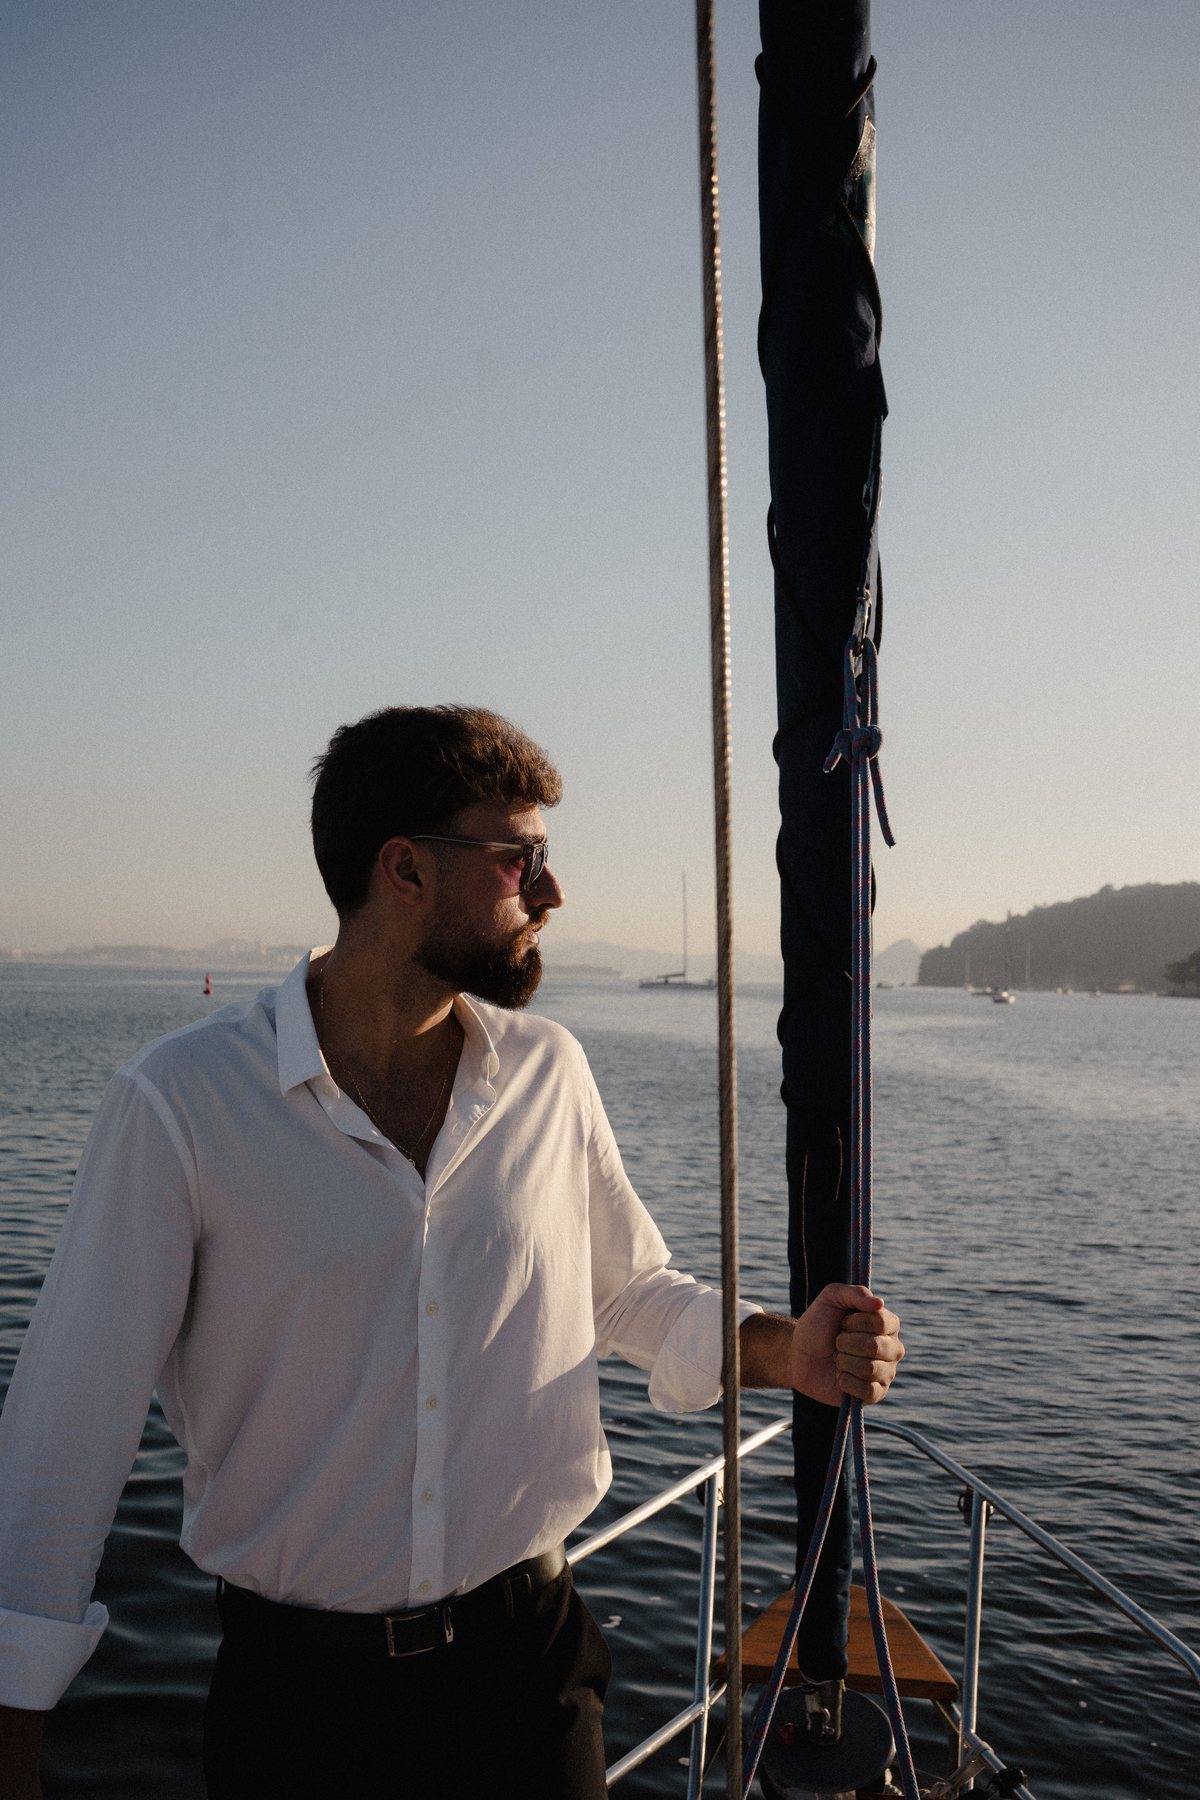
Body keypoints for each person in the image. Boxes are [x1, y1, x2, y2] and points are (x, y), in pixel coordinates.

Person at [0, 705, 904, 1799]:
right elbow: (69, 1423)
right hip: (300, 1709)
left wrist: (782, 1351)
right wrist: (14, 1722)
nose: (552, 893)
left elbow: (627, 1294)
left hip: (528, 1677)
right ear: (405, 870)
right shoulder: (182, 1103)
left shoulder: (549, 1073)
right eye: (522, 860)